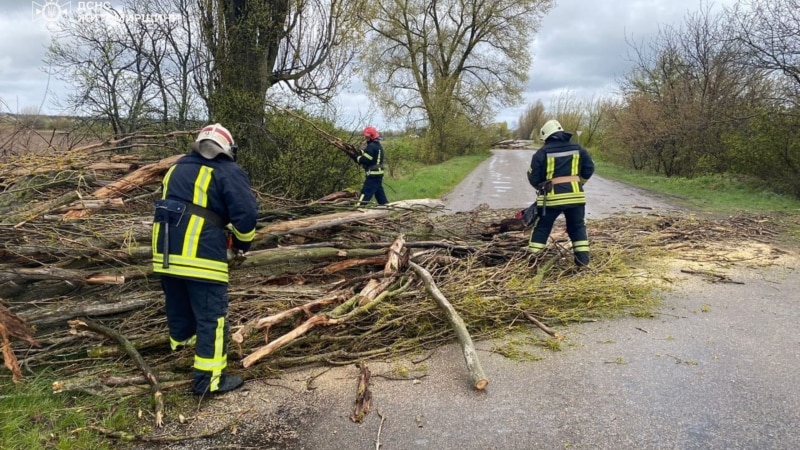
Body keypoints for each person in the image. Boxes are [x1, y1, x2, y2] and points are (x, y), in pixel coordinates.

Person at [151, 123, 258, 396]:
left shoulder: (177, 167)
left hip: (164, 254)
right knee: (213, 318)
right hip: (201, 256)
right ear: (226, 148)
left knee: (180, 308)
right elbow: (245, 217)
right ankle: (209, 381)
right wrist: (242, 245)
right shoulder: (227, 171)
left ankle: (182, 357)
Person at [526, 119, 595, 266]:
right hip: (576, 197)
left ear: (547, 136)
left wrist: (541, 187)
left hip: (551, 200)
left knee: (542, 228)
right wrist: (578, 183)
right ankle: (583, 263)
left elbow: (534, 178)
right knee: (577, 228)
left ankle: (533, 262)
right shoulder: (578, 148)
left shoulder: (541, 153)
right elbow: (589, 169)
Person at [354, 126, 388, 205]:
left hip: (373, 175)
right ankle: (385, 207)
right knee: (380, 194)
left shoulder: (371, 146)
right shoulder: (377, 145)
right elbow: (369, 154)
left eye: (366, 136)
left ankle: (358, 208)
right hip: (378, 174)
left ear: (370, 137)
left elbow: (364, 160)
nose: (365, 138)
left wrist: (356, 157)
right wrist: (359, 152)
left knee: (366, 192)